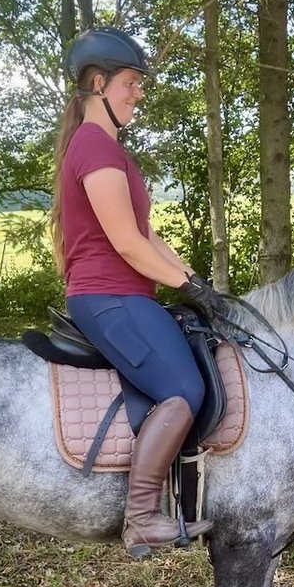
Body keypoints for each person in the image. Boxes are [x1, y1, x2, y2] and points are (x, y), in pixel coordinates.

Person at [51, 27, 228, 557]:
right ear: (99, 83)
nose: (139, 94)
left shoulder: (107, 149)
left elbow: (148, 235)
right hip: (108, 296)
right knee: (183, 391)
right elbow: (126, 243)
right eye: (132, 83)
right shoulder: (95, 148)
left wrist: (197, 282)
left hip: (127, 294)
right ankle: (143, 517)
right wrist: (189, 287)